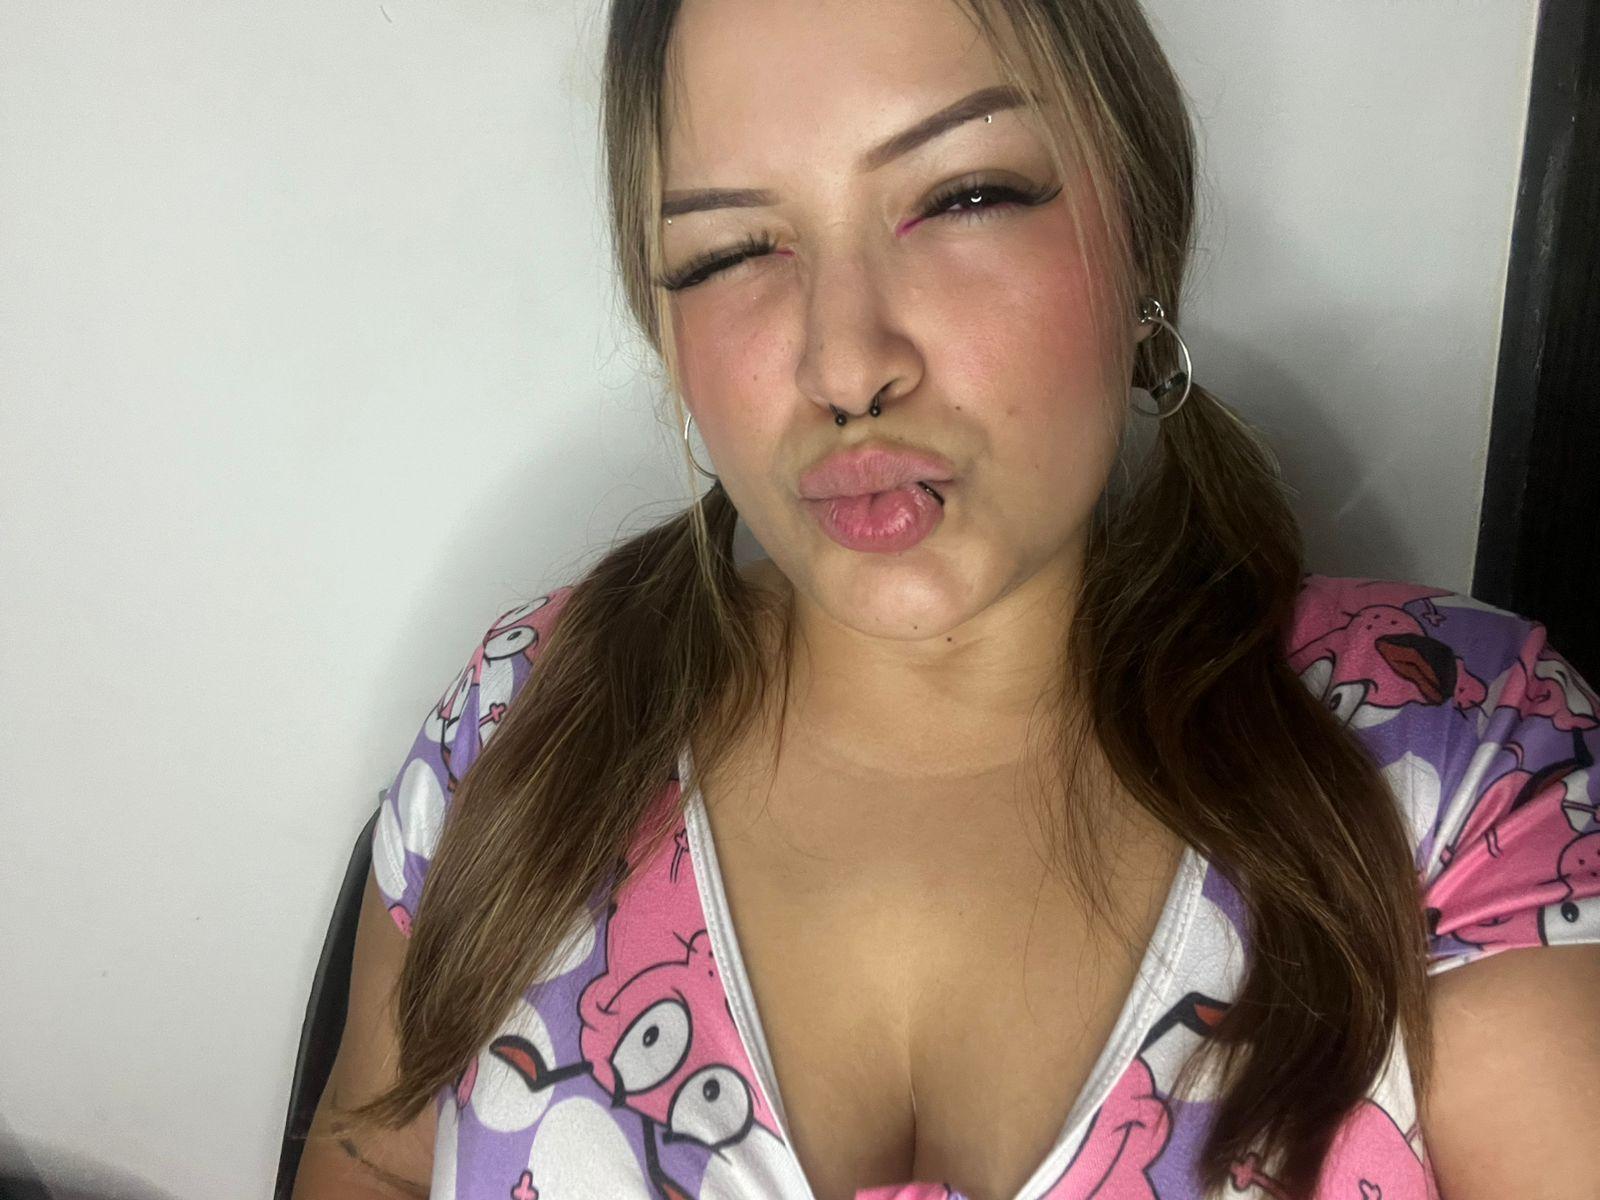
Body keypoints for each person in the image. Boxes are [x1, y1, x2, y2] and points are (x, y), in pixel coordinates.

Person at [290, 1, 1600, 1197]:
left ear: (1143, 231)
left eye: (966, 195)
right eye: (728, 251)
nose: (845, 364)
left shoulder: (1472, 759)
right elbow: (373, 1151)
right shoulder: (521, 722)